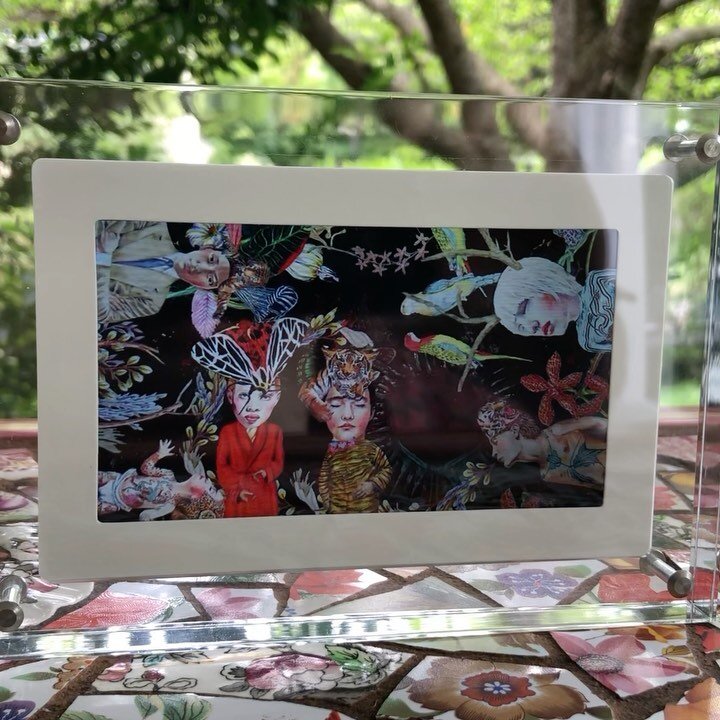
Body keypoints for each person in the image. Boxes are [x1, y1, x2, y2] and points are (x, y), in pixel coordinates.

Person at [191, 317, 308, 518]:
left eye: (265, 396)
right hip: (237, 496)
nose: (252, 407)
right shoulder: (228, 432)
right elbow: (222, 466)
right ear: (230, 396)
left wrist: (267, 472)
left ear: (277, 398)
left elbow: (277, 461)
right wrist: (236, 486)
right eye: (244, 395)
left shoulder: (274, 432)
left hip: (264, 493)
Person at [302, 338, 391, 514]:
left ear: (372, 412)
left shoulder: (371, 450)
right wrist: (328, 503)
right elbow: (324, 479)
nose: (347, 415)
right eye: (335, 404)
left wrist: (372, 484)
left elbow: (386, 470)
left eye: (359, 404)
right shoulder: (328, 452)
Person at [96, 220, 231, 323]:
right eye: (211, 259)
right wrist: (103, 292)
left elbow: (102, 314)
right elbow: (106, 225)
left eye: (210, 279)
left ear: (203, 288)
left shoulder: (151, 302)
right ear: (207, 247)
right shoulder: (155, 225)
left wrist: (103, 255)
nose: (200, 267)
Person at [477, 400, 607, 489]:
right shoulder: (548, 475)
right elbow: (598, 487)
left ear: (514, 430)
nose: (494, 452)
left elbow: (607, 427)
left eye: (495, 441)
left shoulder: (557, 432)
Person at [493, 257, 614, 352]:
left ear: (543, 282)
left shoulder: (599, 281)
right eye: (522, 328)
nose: (531, 327)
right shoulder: (588, 341)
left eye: (524, 308)